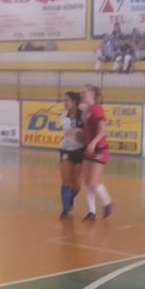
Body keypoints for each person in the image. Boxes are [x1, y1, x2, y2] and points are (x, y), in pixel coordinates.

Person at [80, 84, 113, 221]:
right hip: (89, 149)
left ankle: (108, 202)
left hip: (99, 149)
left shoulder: (97, 109)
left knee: (93, 182)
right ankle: (91, 212)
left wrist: (94, 142)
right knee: (87, 182)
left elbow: (103, 130)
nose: (82, 95)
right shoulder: (87, 111)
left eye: (84, 92)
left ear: (92, 93)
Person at [57, 91, 85, 219]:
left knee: (77, 186)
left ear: (74, 102)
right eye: (63, 101)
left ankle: (69, 199)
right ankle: (65, 209)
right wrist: (76, 129)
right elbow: (68, 132)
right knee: (66, 181)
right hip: (66, 150)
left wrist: (81, 130)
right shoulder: (64, 116)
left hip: (79, 150)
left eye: (67, 100)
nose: (64, 103)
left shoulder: (84, 115)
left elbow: (84, 134)